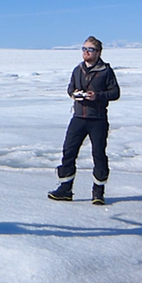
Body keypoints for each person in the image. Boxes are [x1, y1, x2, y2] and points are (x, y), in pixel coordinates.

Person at [49, 36, 120, 205]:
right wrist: (74, 94)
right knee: (68, 151)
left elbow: (115, 93)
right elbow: (70, 87)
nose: (86, 52)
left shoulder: (105, 71)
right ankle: (65, 189)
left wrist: (97, 96)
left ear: (98, 52)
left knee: (98, 155)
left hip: (98, 119)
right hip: (78, 117)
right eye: (84, 49)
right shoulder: (78, 69)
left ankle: (98, 192)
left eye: (90, 50)